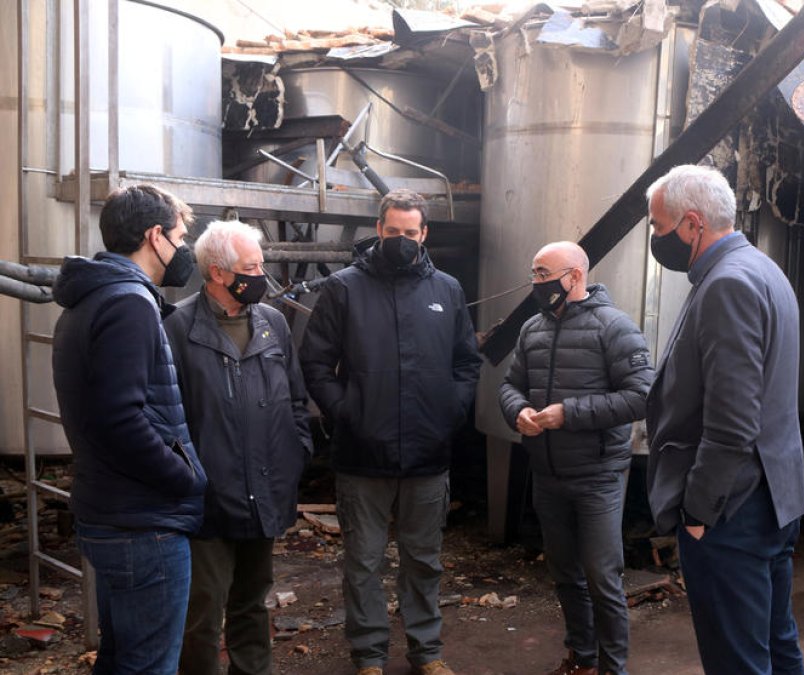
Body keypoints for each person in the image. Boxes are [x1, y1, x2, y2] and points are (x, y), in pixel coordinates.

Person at [300, 188, 482, 675]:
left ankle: (427, 651)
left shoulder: (447, 289)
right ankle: (370, 656)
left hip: (427, 453)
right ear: (379, 230)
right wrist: (346, 413)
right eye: (393, 231)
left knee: (424, 560)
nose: (401, 239)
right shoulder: (343, 288)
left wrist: (451, 411)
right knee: (363, 563)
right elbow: (315, 362)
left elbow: (466, 362)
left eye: (411, 232)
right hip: (362, 456)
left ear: (424, 234)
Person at [643, 164, 804, 675]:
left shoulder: (727, 284)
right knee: (777, 645)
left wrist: (698, 513)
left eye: (658, 226)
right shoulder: (763, 269)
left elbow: (733, 419)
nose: (655, 237)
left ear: (692, 224)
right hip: (774, 498)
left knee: (736, 659)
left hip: (732, 509)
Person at [52, 185, 208, 673]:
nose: (184, 250)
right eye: (180, 237)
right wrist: (184, 477)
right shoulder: (128, 303)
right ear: (154, 235)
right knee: (150, 666)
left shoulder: (92, 297)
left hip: (112, 514)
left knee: (122, 660)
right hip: (143, 525)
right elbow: (120, 419)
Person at [164, 220, 313, 675]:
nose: (262, 276)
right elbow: (168, 418)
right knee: (202, 614)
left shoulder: (272, 324)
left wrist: (296, 452)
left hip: (264, 490)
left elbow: (294, 398)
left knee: (253, 603)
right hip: (208, 499)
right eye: (252, 267)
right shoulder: (177, 328)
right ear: (217, 273)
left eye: (261, 264)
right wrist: (188, 478)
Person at [499, 242, 654, 675]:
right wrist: (518, 411)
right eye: (533, 273)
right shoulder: (533, 329)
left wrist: (569, 414)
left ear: (574, 276)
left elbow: (642, 396)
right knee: (565, 574)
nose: (536, 282)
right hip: (547, 474)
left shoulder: (615, 327)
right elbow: (510, 386)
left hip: (598, 476)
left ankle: (613, 668)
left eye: (544, 273)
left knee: (603, 579)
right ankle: (582, 660)